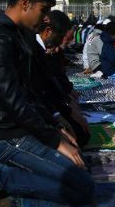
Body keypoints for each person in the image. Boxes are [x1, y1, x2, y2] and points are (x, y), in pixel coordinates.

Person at [0, 0, 93, 207]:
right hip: (4, 136)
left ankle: (12, 166)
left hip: (16, 127)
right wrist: (55, 140)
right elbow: (15, 104)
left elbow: (30, 92)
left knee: (78, 159)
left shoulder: (14, 34)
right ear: (25, 3)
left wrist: (54, 125)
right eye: (43, 10)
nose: (46, 19)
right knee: (82, 187)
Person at [31, 10, 91, 148]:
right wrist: (58, 120)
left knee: (81, 134)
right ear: (48, 31)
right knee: (75, 139)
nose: (59, 48)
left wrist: (67, 106)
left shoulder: (46, 49)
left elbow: (54, 82)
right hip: (36, 110)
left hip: (47, 104)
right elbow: (35, 95)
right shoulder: (30, 49)